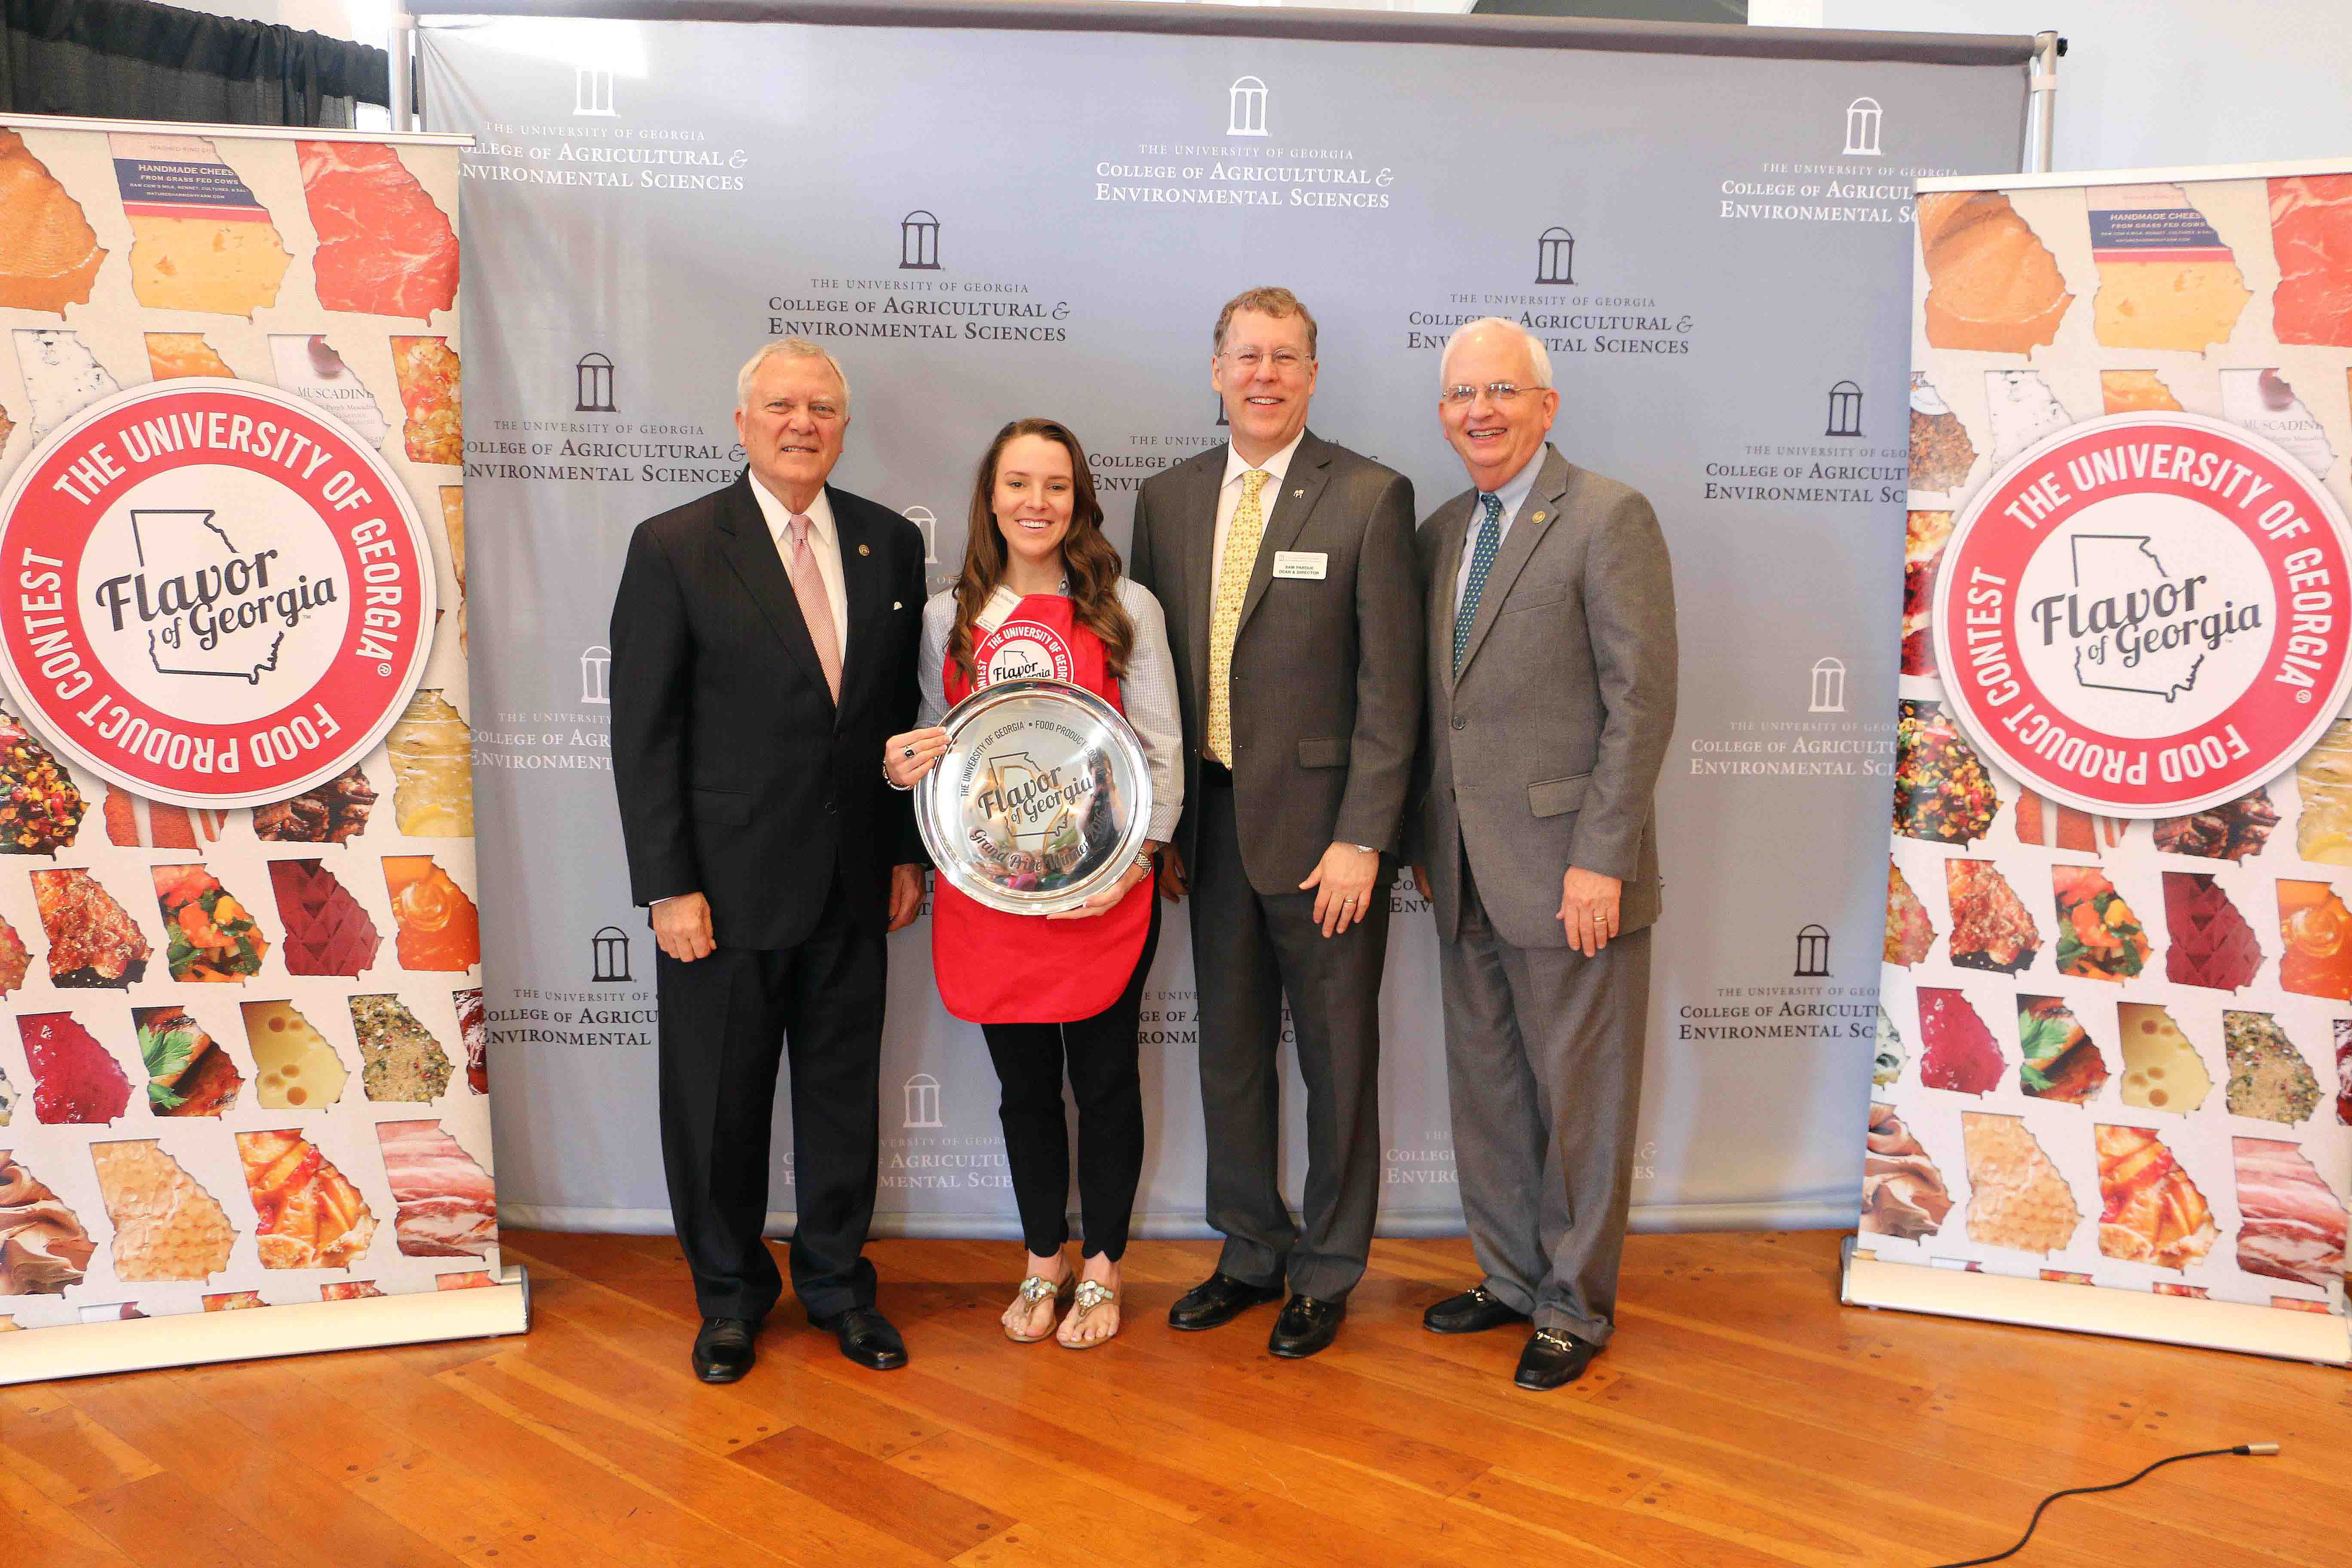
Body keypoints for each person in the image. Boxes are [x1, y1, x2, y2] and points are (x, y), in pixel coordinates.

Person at [608, 339, 928, 1383]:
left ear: (845, 426)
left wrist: (901, 854)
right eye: (782, 406)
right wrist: (668, 885)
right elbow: (643, 733)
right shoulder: (675, 545)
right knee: (718, 1110)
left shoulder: (889, 545)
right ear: (741, 422)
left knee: (842, 1103)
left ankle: (839, 1287)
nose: (803, 423)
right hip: (721, 895)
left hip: (851, 885)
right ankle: (731, 1301)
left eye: (823, 409)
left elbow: (892, 719)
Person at [1127, 287, 1422, 1359]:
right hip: (1204, 831)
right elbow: (1148, 685)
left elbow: (1393, 693)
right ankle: (1249, 1248)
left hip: (1325, 842)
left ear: (1311, 375)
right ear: (1216, 371)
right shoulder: (1165, 501)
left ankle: (1329, 1268)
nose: (1264, 376)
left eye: (1286, 359)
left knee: (1338, 1062)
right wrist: (1156, 831)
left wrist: (1365, 837)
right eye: (1247, 357)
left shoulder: (1371, 497)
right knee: (1232, 1056)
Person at [1405, 316, 1677, 1390]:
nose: (1482, 411)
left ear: (1546, 406)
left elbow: (1640, 702)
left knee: (1583, 1101)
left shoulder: (1609, 516)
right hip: (1462, 867)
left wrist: (1602, 856)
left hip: (1574, 871)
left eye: (1504, 392)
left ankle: (1574, 1305)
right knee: (1489, 1092)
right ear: (1443, 413)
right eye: (1463, 394)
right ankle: (1511, 1278)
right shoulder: (1437, 535)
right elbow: (1447, 714)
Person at [885, 418, 1181, 1349]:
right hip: (993, 895)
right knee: (1022, 1091)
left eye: (1055, 485)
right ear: (991, 497)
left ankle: (1103, 1271)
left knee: (1104, 1086)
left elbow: (1162, 746)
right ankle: (1043, 1258)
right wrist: (903, 769)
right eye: (1018, 484)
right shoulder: (948, 616)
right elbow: (943, 752)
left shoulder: (1127, 605)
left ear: (1081, 499)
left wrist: (1136, 860)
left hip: (1105, 889)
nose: (1036, 503)